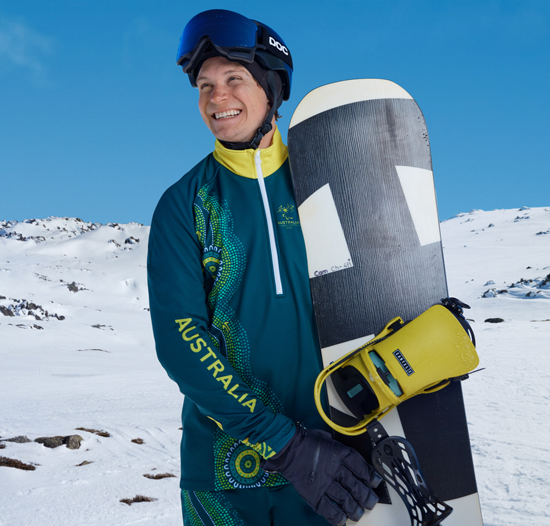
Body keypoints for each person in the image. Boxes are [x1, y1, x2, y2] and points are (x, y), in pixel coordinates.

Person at [147, 9, 381, 526]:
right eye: (204, 85)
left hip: (338, 465)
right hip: (225, 478)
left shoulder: (326, 185)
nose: (216, 97)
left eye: (234, 79)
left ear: (272, 88)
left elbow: (378, 298)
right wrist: (284, 444)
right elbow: (183, 339)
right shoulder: (184, 204)